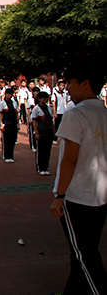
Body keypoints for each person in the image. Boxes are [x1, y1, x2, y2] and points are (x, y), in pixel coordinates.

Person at [50, 63, 107, 295]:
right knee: (83, 250)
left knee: (85, 255)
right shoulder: (103, 112)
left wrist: (60, 196)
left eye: (70, 83)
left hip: (77, 197)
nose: (67, 89)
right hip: (100, 195)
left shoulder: (76, 114)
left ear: (85, 84)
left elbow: (69, 160)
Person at [31, 91, 55, 175]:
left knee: (47, 151)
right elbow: (34, 121)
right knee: (41, 151)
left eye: (47, 98)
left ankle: (46, 168)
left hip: (49, 131)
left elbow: (51, 120)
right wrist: (36, 133)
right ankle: (40, 168)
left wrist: (54, 130)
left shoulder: (48, 108)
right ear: (39, 99)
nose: (45, 100)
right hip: (41, 132)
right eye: (44, 98)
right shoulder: (36, 109)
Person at [0, 87, 20, 163]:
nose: (10, 96)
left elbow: (17, 114)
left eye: (11, 94)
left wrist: (18, 124)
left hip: (13, 123)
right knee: (6, 140)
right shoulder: (2, 103)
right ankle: (6, 156)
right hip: (6, 123)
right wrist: (1, 124)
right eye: (8, 94)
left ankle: (11, 155)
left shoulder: (14, 103)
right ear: (5, 94)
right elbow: (0, 114)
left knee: (13, 140)